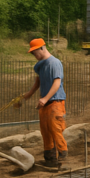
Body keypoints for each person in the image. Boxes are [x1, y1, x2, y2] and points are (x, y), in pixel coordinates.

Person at [21, 38, 67, 168]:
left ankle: (63, 159)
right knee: (45, 131)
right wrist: (29, 94)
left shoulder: (55, 63)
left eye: (34, 52)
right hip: (45, 103)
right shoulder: (40, 65)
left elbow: (57, 83)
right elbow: (38, 80)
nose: (34, 55)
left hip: (55, 102)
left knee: (55, 130)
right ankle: (50, 159)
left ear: (42, 48)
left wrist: (45, 98)